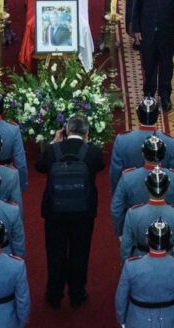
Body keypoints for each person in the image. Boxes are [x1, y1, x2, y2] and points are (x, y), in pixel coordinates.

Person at [35, 115, 105, 309]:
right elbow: (100, 166)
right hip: (83, 212)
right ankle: (77, 293)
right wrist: (87, 145)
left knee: (55, 252)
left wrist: (53, 143)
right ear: (87, 132)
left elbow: (39, 166)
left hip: (55, 211)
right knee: (80, 252)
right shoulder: (93, 152)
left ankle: (54, 293)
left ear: (66, 130)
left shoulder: (53, 150)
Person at [115, 219, 174, 327]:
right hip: (171, 321)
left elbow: (121, 298)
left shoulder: (131, 265)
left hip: (137, 321)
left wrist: (122, 320)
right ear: (169, 240)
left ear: (147, 239)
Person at [110, 136, 174, 233]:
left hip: (136, 230)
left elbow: (116, 208)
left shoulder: (128, 177)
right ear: (163, 155)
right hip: (167, 233)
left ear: (143, 154)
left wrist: (121, 232)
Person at [109, 97, 174, 191]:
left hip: (131, 192)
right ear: (158, 115)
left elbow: (115, 173)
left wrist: (118, 194)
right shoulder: (171, 143)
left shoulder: (122, 140)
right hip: (160, 193)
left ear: (138, 114)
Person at [119, 167, 174, 262]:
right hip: (170, 260)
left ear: (147, 188)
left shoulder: (133, 213)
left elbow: (126, 247)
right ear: (167, 189)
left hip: (140, 261)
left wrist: (127, 267)